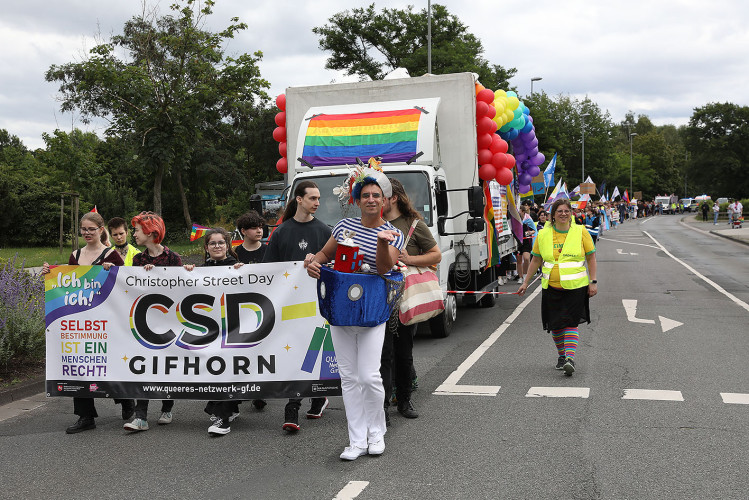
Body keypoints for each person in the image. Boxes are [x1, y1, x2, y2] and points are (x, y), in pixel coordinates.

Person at [305, 168, 404, 461]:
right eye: (365, 196)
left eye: (376, 195)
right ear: (357, 200)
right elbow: (323, 257)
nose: (371, 200)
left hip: (373, 308)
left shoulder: (394, 233)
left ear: (384, 200)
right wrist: (312, 263)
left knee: (370, 376)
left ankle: (376, 433)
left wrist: (382, 242)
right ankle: (356, 440)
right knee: (347, 377)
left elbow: (386, 269)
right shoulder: (343, 227)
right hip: (341, 309)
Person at [42, 212, 133, 433]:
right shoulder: (75, 255)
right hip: (81, 323)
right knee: (78, 365)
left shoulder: (112, 255)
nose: (87, 233)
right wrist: (49, 273)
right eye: (83, 229)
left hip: (108, 323)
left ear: (101, 230)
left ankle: (126, 401)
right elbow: (69, 284)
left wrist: (114, 271)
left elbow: (126, 285)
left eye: (91, 229)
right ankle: (85, 416)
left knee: (108, 364)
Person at [263, 180, 332, 432]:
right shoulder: (281, 232)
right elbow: (268, 270)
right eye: (312, 198)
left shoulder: (325, 231)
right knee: (295, 352)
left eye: (319, 198)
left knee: (312, 350)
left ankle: (315, 397)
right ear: (299, 199)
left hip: (317, 304)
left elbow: (335, 266)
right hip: (290, 305)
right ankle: (294, 406)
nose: (317, 203)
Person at [380, 178, 441, 422]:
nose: (375, 200)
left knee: (403, 352)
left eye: (381, 195)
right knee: (382, 355)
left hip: (405, 299)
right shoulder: (375, 223)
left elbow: (435, 255)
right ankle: (382, 404)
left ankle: (404, 399)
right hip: (377, 299)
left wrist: (409, 260)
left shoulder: (413, 224)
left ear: (393, 198)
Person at [517, 199, 597, 376]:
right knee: (556, 326)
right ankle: (562, 356)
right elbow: (536, 259)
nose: (563, 214)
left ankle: (569, 358)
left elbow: (591, 257)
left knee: (570, 322)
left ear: (571, 213)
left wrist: (593, 281)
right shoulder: (544, 234)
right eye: (559, 211)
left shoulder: (581, 231)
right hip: (551, 287)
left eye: (567, 211)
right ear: (553, 215)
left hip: (576, 287)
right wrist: (525, 282)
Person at [124, 211, 183, 432]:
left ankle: (167, 406)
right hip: (144, 323)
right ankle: (141, 417)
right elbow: (128, 284)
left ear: (151, 232)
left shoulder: (173, 257)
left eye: (137, 230)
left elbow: (182, 287)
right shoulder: (138, 259)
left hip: (170, 322)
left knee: (167, 366)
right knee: (145, 367)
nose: (134, 234)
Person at [183, 228, 244, 435]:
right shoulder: (201, 269)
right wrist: (188, 272)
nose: (217, 246)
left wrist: (243, 272)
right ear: (206, 247)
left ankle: (223, 419)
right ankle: (229, 408)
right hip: (209, 331)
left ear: (227, 245)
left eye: (221, 242)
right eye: (212, 243)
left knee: (227, 370)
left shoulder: (236, 268)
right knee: (215, 370)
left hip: (233, 328)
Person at [234, 210, 269, 412]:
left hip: (267, 306)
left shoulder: (269, 249)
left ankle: (261, 390)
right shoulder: (236, 254)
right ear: (243, 231)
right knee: (246, 348)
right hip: (242, 309)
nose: (259, 230)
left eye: (261, 227)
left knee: (264, 348)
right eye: (254, 228)